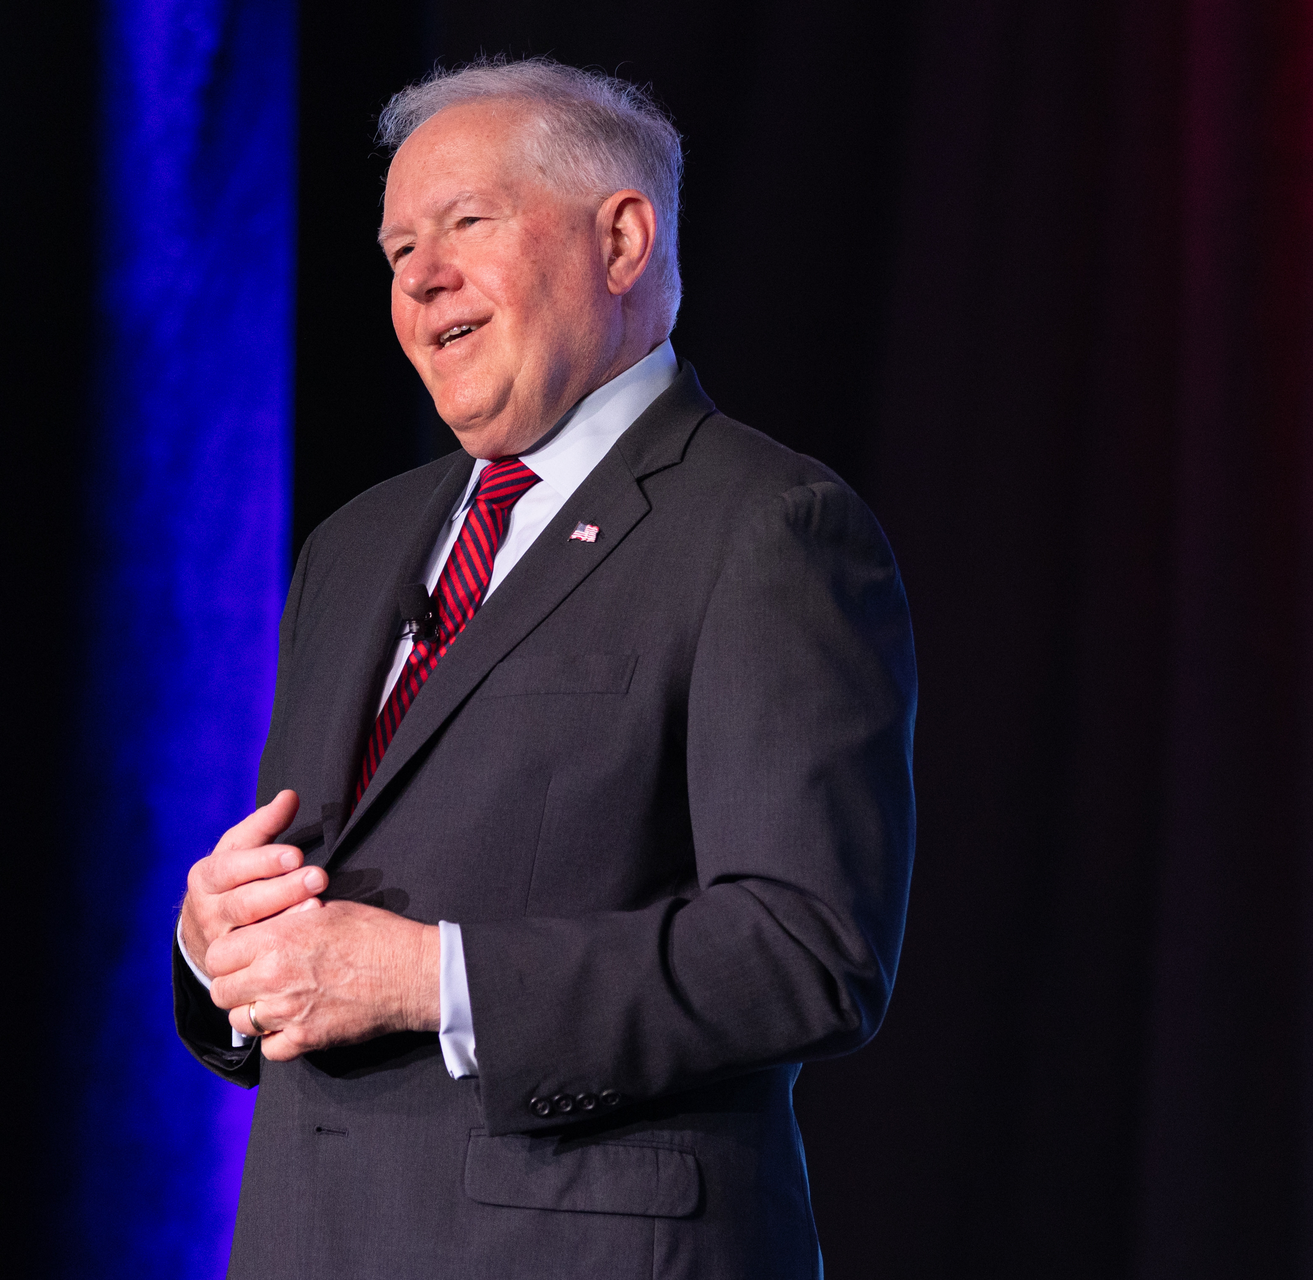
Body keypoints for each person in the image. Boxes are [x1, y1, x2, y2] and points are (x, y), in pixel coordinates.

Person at [173, 56, 916, 1279]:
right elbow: (312, 916)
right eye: (397, 249)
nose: (421, 278)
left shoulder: (767, 526)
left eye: (466, 222)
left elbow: (808, 950)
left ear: (621, 240)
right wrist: (221, 945)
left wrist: (434, 979)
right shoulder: (351, 548)